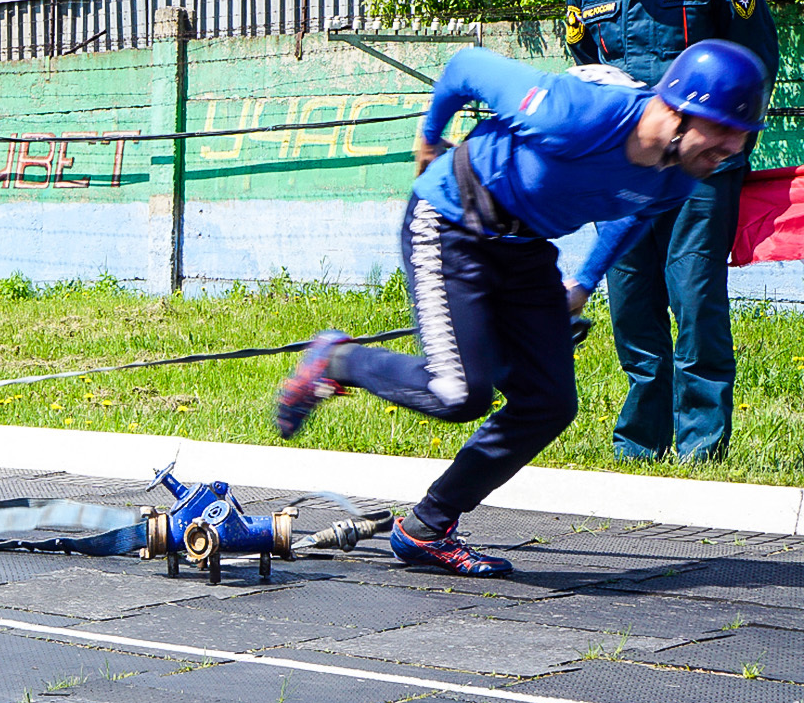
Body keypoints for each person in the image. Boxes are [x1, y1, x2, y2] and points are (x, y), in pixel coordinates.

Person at [274, 41, 766, 576]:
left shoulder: (681, 174)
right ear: (679, 108)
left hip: (525, 247)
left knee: (548, 402)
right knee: (457, 392)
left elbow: (636, 212)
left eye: (739, 137)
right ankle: (335, 359)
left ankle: (425, 528)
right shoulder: (573, 112)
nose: (731, 148)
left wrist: (581, 283)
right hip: (451, 222)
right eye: (721, 131)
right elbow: (464, 67)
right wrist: (430, 136)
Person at [566, 0, 779, 461]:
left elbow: (756, 60)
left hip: (699, 170)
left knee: (693, 296)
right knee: (631, 302)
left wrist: (724, 144)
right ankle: (640, 445)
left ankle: (701, 447)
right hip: (626, 167)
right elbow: (590, 71)